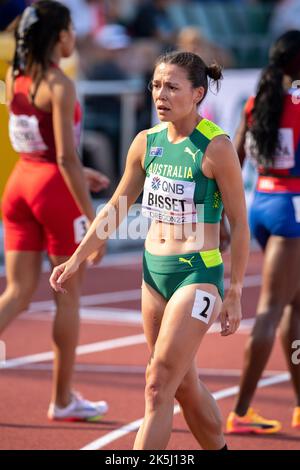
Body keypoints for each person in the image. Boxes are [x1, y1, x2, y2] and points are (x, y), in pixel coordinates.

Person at [50, 51, 249, 449]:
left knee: (157, 384)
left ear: (196, 94)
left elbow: (240, 224)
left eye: (172, 87)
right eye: (156, 85)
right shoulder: (147, 143)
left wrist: (235, 291)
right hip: (153, 274)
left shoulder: (216, 147)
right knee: (182, 384)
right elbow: (117, 205)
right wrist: (76, 257)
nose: (160, 94)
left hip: (198, 275)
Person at [0, 1, 110, 421]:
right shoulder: (59, 84)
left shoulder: (17, 74)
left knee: (17, 292)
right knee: (68, 297)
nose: (74, 37)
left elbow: (40, 143)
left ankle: (66, 398)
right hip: (52, 190)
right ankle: (63, 400)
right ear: (57, 36)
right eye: (69, 30)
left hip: (20, 186)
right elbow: (64, 158)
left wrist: (82, 171)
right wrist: (95, 219)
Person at [226, 30, 300, 434]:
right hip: (293, 212)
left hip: (263, 206)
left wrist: (224, 212)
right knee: (272, 310)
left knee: (295, 309)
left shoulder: (257, 103)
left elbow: (233, 158)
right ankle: (241, 410)